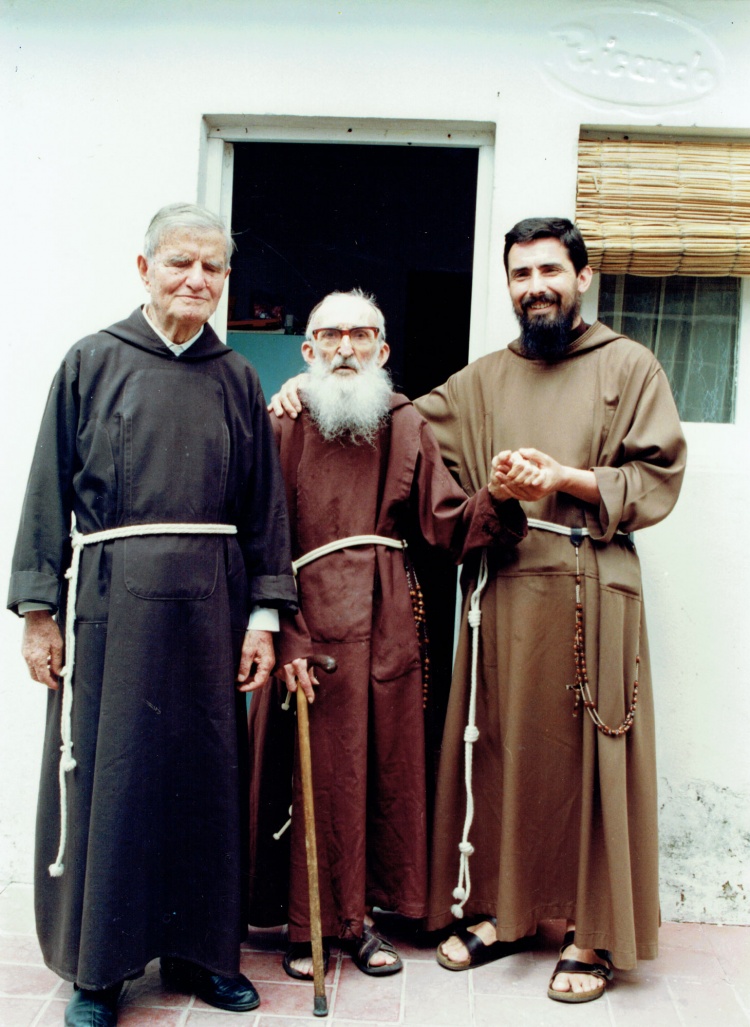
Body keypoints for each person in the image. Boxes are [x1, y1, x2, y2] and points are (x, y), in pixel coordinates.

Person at [268, 219, 687, 1003]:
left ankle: (591, 934)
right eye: (521, 274)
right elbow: (382, 415)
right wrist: (305, 385)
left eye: (550, 270)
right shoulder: (482, 380)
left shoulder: (631, 365)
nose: (536, 286)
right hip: (506, 584)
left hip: (592, 578)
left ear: (582, 277)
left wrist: (564, 477)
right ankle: (505, 914)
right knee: (498, 752)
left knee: (592, 758)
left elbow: (657, 476)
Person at [8, 202, 299, 1026]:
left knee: (205, 777)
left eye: (213, 266)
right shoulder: (91, 361)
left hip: (213, 610)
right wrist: (38, 609)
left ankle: (202, 955)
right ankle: (99, 969)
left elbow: (264, 508)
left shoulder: (237, 378)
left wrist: (264, 618)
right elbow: (45, 486)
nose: (197, 279)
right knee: (116, 775)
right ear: (145, 268)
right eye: (180, 262)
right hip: (111, 610)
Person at [247, 289, 528, 980]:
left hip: (386, 621)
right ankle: (310, 925)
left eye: (361, 335)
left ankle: (364, 921)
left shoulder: (405, 422)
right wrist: (286, 634)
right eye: (330, 335)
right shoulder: (281, 421)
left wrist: (501, 497)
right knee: (312, 773)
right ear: (307, 349)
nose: (346, 347)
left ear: (383, 350)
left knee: (380, 770)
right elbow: (258, 537)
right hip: (303, 616)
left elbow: (447, 522)